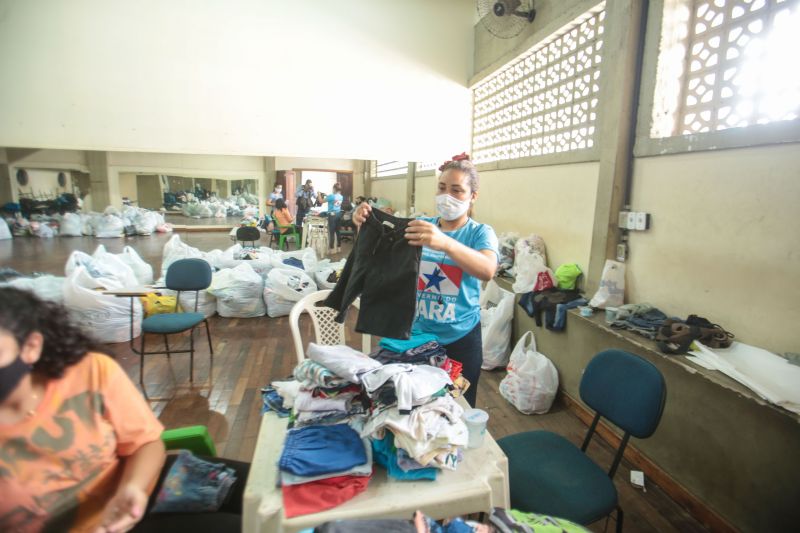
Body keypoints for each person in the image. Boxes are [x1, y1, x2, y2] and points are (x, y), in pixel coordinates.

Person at [0, 288, 249, 532]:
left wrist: (133, 488)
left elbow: (144, 442)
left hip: (139, 486)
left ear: (31, 346)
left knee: (273, 493)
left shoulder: (87, 372)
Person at [353, 154, 498, 407]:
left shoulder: (479, 233)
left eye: (457, 190)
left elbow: (487, 269)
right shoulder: (420, 226)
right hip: (415, 336)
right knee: (410, 404)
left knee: (457, 408)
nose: (447, 196)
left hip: (459, 339)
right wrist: (364, 225)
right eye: (442, 188)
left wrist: (445, 242)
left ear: (472, 195)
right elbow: (381, 256)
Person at [326, 183, 344, 253]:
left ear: (334, 189)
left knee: (332, 232)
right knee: (338, 231)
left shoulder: (331, 196)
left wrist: (318, 194)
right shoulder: (341, 197)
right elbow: (334, 201)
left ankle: (332, 249)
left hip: (332, 215)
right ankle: (339, 247)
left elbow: (321, 201)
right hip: (338, 214)